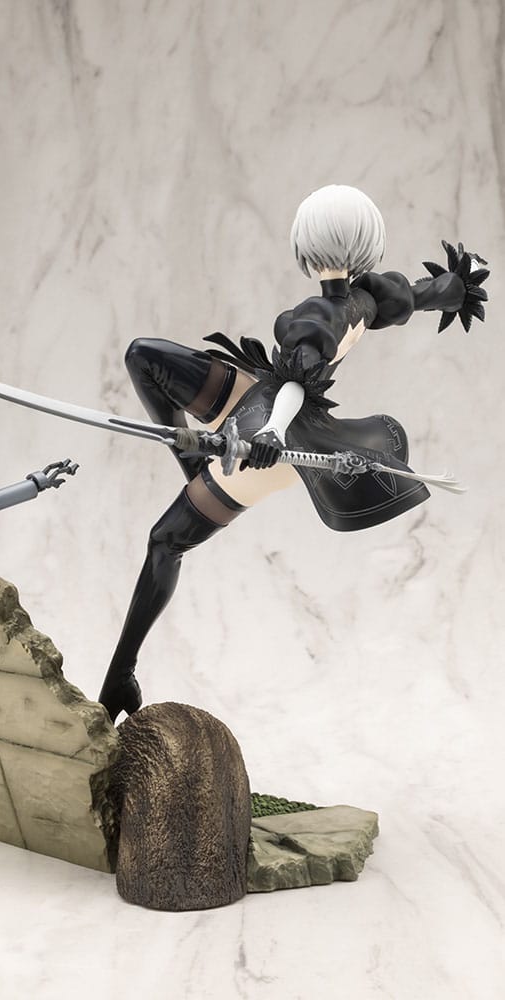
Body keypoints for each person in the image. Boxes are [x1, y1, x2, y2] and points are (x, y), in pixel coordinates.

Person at [98, 184, 489, 722]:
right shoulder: (372, 296)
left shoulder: (318, 313)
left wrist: (272, 433)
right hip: (258, 395)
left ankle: (119, 680)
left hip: (274, 430)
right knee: (145, 356)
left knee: (165, 541)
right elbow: (427, 294)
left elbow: (296, 384)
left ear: (309, 246)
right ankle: (191, 461)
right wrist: (462, 285)